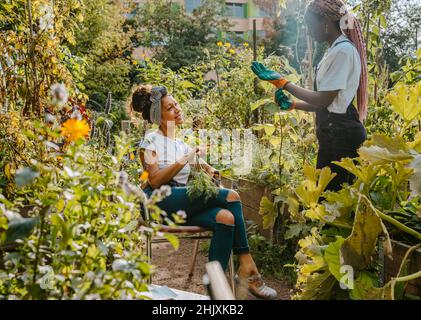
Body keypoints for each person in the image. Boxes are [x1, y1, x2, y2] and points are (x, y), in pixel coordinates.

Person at [130, 84, 277, 300]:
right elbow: (154, 178)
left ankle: (215, 293)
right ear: (157, 117)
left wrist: (209, 169)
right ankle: (247, 267)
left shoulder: (179, 143)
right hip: (160, 202)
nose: (178, 109)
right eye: (170, 108)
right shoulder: (150, 142)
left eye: (176, 104)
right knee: (231, 196)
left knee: (225, 218)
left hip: (182, 201)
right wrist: (186, 158)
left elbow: (198, 164)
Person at [251, 0, 368, 192]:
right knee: (328, 203)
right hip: (334, 133)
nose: (308, 31)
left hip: (341, 137)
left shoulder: (343, 52)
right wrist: (293, 105)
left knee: (331, 204)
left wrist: (284, 83)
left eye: (309, 24)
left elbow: (324, 100)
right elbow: (327, 104)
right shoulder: (334, 51)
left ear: (325, 23)